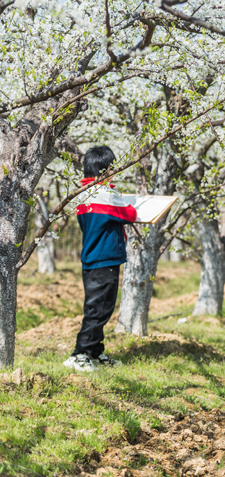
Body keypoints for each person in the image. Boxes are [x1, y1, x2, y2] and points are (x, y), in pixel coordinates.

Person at [65, 146, 137, 372]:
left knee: (100, 307)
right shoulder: (105, 194)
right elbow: (131, 214)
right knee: (98, 310)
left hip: (93, 258)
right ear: (106, 170)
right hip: (105, 259)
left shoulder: (82, 194)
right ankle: (79, 354)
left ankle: (95, 351)